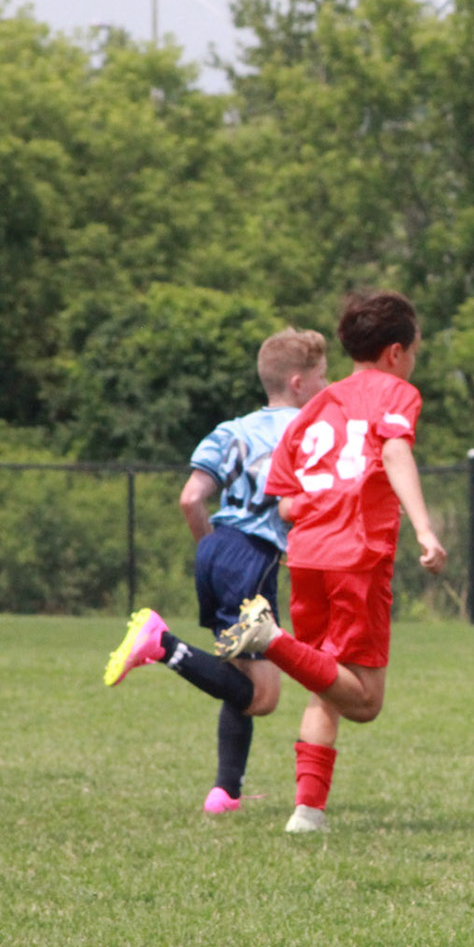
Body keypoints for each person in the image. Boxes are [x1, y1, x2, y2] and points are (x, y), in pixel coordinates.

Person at [215, 290, 447, 834]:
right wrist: (424, 528)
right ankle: (271, 639)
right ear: (395, 352)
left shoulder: (317, 406)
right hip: (356, 555)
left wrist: (328, 500)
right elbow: (394, 450)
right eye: (415, 351)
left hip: (308, 556)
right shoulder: (396, 392)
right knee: (365, 702)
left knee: (329, 686)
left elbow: (286, 503)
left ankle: (307, 813)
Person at [102, 328, 330, 813]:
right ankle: (162, 644)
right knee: (262, 696)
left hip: (215, 549)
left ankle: (225, 792)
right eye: (322, 377)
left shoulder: (234, 429)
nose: (326, 387)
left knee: (239, 670)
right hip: (253, 558)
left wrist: (214, 552)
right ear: (298, 382)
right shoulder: (309, 431)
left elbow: (191, 498)